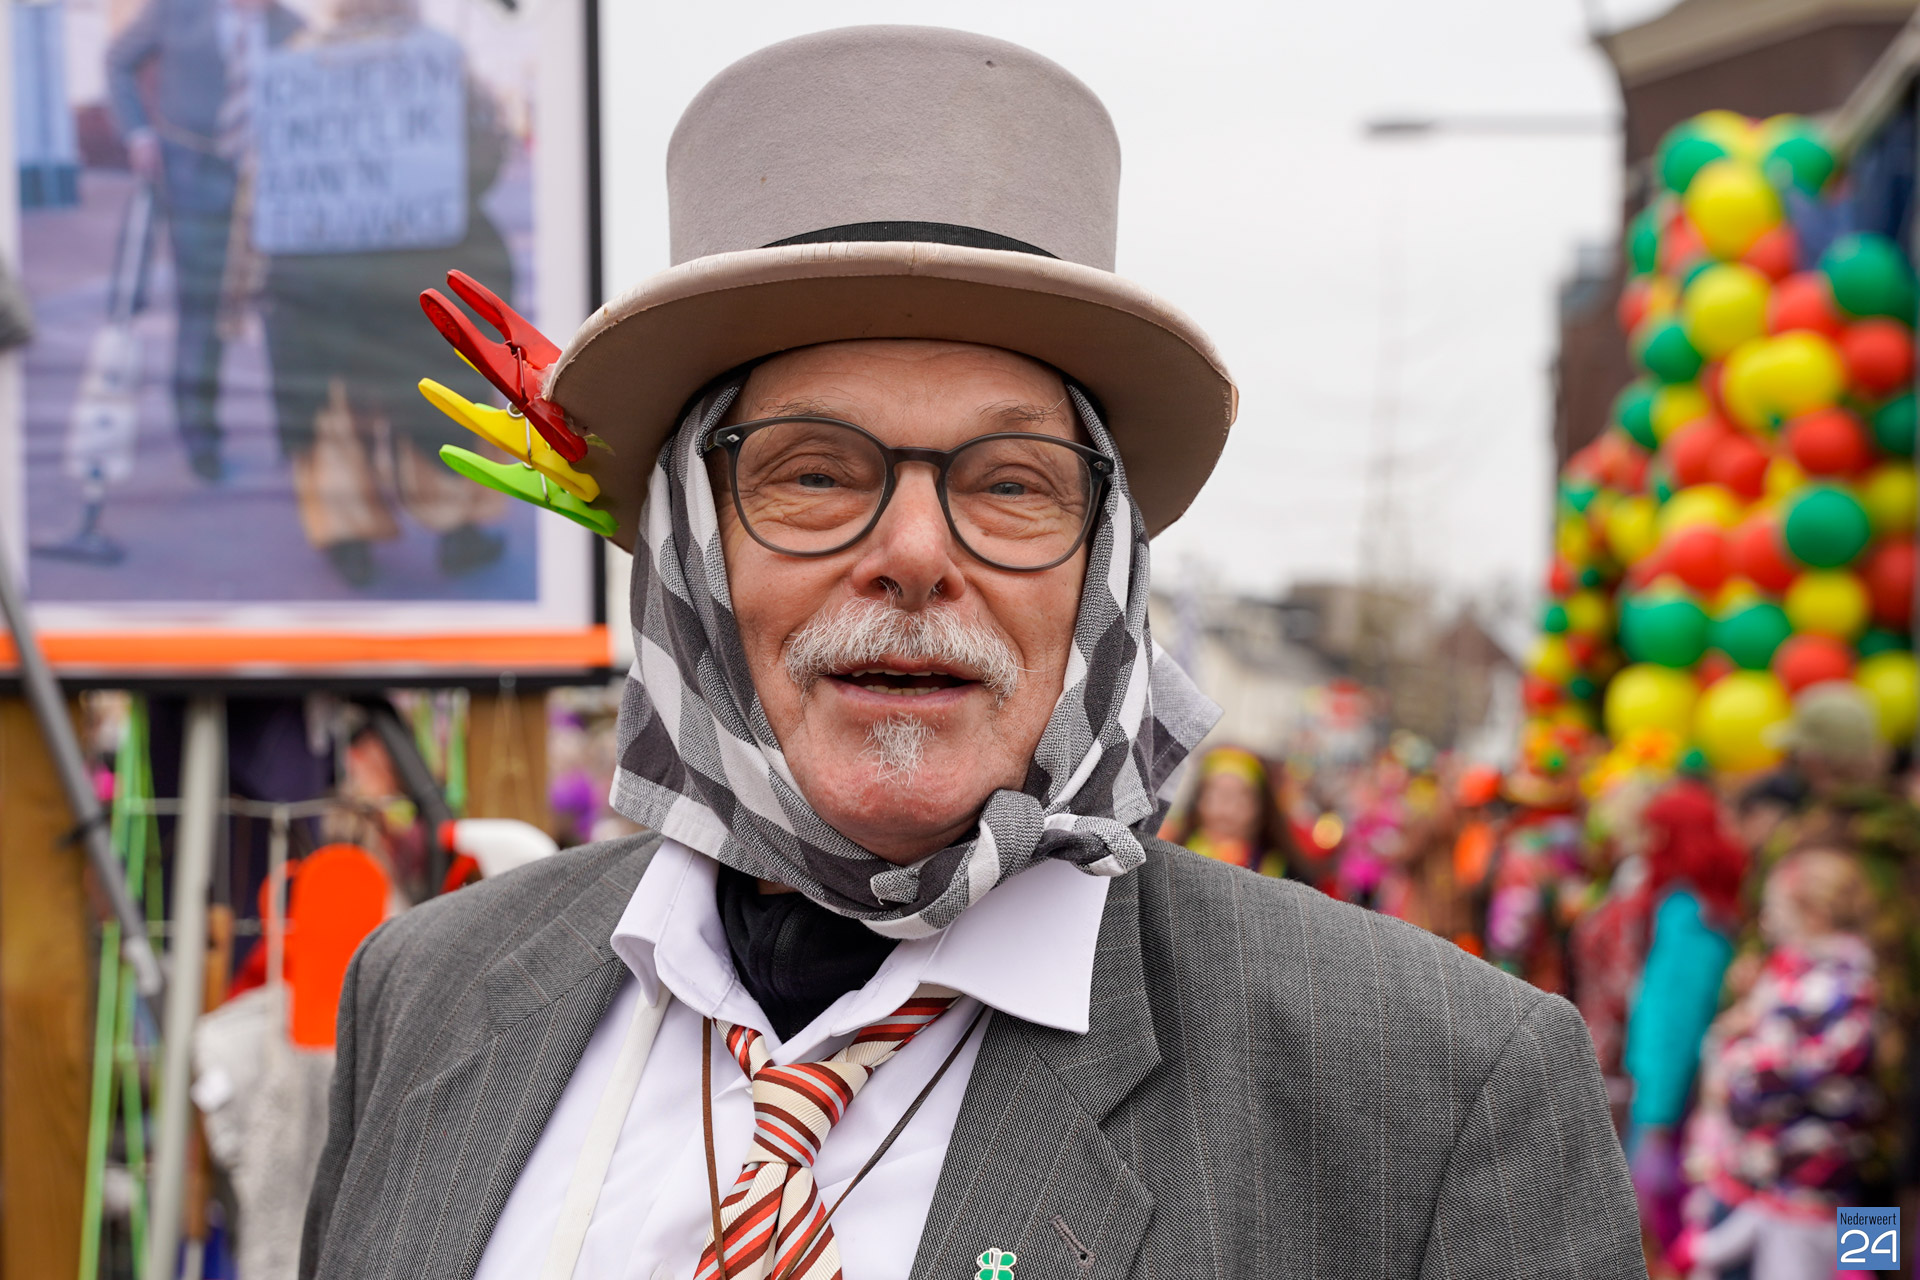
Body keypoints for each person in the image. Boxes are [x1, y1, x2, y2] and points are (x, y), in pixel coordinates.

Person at [299, 28, 1643, 1279]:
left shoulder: (1429, 1093)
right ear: (694, 554)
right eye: (814, 473)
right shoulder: (429, 991)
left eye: (1010, 483)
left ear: (1102, 569)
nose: (916, 553)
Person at [259, 0, 515, 586]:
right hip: (419, 260)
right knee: (436, 392)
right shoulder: (436, 58)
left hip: (320, 271)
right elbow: (485, 151)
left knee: (328, 405)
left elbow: (266, 173)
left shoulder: (295, 64)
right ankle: (458, 525)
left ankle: (346, 534)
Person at [107, 0, 304, 482]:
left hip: (274, 190)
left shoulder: (295, 29)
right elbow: (117, 62)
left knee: (287, 315)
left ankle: (297, 442)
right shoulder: (175, 11)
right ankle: (201, 442)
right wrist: (138, 134)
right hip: (193, 181)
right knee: (202, 314)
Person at [1683, 849, 1882, 1280]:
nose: (1765, 924)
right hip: (1846, 1179)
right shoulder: (1855, 974)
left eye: (1774, 910)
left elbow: (1752, 1084)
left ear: (1812, 914)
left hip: (1795, 1192)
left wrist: (1727, 1041)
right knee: (1864, 1267)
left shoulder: (1820, 987)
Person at [1621, 778, 1750, 1262]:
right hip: (1847, 1144)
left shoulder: (1686, 911)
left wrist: (1655, 1117)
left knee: (1666, 1242)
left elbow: (1674, 1020)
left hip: (1679, 1105)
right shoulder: (1714, 907)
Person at [1157, 744, 1291, 875]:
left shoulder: (1276, 869)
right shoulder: (1169, 853)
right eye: (1215, 796)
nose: (1226, 811)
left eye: (1240, 799)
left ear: (1262, 809)